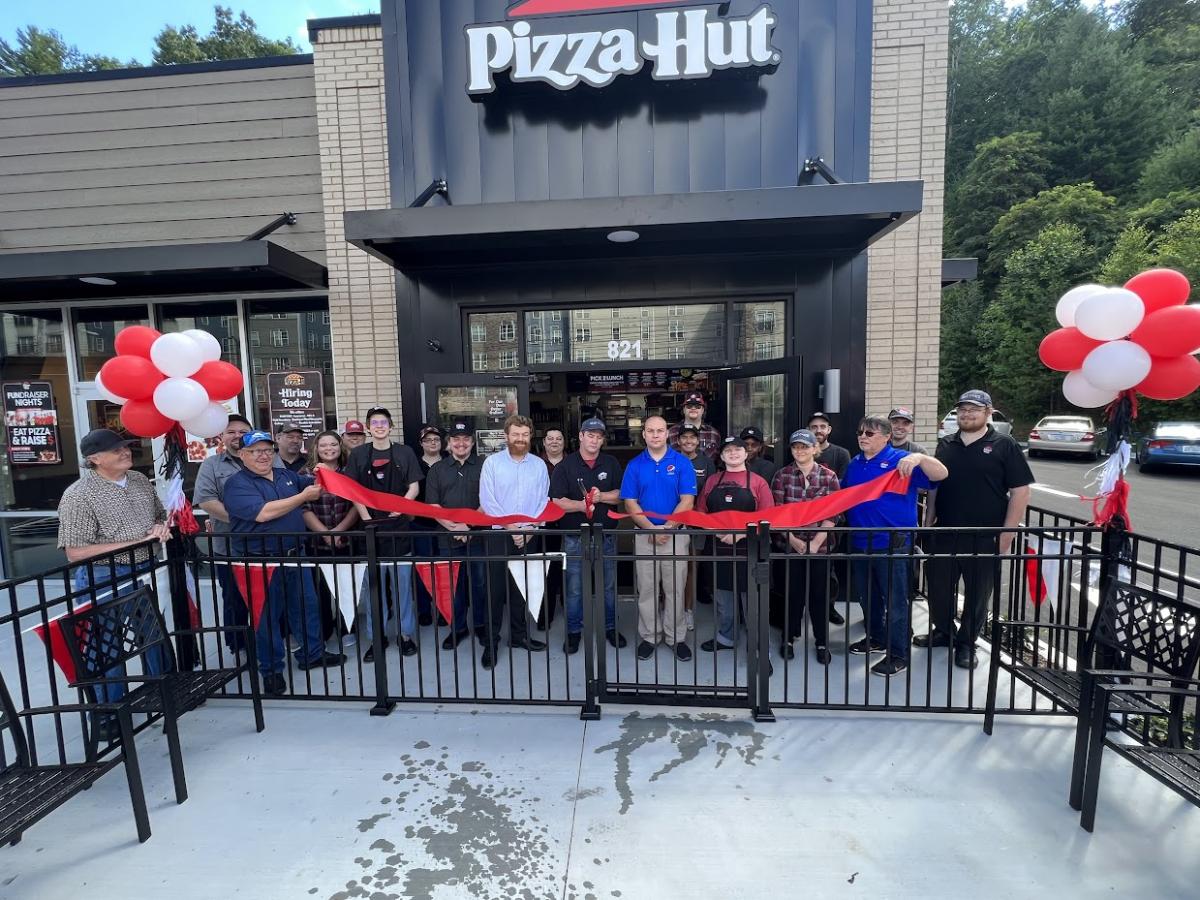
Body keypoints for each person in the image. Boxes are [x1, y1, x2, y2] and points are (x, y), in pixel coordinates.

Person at [57, 428, 172, 725]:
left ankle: (162, 694)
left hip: (145, 569)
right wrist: (135, 543)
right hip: (104, 575)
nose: (125, 452)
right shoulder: (78, 495)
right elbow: (76, 552)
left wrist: (159, 527)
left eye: (126, 447)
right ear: (94, 459)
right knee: (106, 646)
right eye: (115, 450)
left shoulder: (139, 480)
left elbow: (160, 515)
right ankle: (111, 715)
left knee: (151, 634)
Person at [224, 430, 345, 696]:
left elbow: (313, 483)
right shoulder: (237, 484)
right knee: (266, 617)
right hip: (259, 562)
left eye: (268, 449)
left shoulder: (285, 476)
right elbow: (263, 514)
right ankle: (271, 670)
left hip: (294, 555)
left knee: (306, 607)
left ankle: (312, 654)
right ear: (243, 455)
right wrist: (303, 498)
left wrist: (322, 471)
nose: (264, 455)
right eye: (256, 451)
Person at [922, 390, 1033, 669]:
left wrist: (1007, 534)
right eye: (962, 409)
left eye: (974, 409)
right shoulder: (945, 444)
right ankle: (943, 631)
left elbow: (1020, 492)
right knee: (938, 588)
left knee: (978, 593)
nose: (967, 414)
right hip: (945, 532)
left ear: (988, 412)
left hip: (985, 535)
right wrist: (929, 520)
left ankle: (967, 642)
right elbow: (935, 487)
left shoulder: (1004, 444)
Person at [842, 415, 948, 678]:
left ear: (886, 436)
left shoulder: (902, 461)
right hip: (860, 541)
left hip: (893, 543)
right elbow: (843, 497)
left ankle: (898, 654)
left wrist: (921, 458)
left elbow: (941, 474)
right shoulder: (855, 463)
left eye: (870, 433)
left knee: (896, 601)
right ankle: (876, 638)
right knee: (868, 596)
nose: (862, 437)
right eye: (860, 432)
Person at [343, 406, 424, 661]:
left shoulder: (405, 452)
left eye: (383, 422)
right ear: (368, 427)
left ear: (391, 426)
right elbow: (351, 489)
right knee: (373, 589)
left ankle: (405, 635)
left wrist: (400, 508)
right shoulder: (357, 454)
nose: (379, 426)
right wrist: (366, 517)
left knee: (402, 588)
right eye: (374, 422)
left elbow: (414, 486)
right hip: (369, 529)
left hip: (398, 529)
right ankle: (376, 638)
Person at [621, 415, 697, 661]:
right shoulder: (634, 465)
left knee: (675, 588)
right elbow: (630, 502)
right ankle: (650, 636)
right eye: (650, 430)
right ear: (643, 434)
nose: (655, 435)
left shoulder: (682, 463)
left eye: (660, 430)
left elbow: (688, 500)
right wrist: (651, 529)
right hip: (645, 536)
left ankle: (676, 637)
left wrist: (668, 527)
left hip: (675, 536)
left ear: (667, 434)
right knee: (647, 588)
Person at [478, 415, 550, 668]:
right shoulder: (492, 463)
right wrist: (511, 528)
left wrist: (530, 529)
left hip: (529, 536)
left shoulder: (539, 465)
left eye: (525, 434)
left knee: (521, 589)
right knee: (494, 592)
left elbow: (544, 501)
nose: (520, 439)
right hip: (499, 535)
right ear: (506, 436)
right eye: (515, 434)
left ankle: (519, 636)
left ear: (531, 436)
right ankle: (490, 642)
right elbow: (488, 501)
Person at [550, 418, 625, 654]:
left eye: (599, 436)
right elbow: (557, 502)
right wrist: (583, 505)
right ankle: (573, 632)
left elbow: (623, 494)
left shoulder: (611, 462)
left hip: (606, 535)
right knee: (574, 588)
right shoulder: (566, 465)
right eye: (590, 435)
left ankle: (610, 628)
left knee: (609, 586)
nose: (594, 440)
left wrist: (601, 497)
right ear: (581, 436)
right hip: (575, 537)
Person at [697, 437, 774, 652]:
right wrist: (716, 531)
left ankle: (759, 644)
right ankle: (726, 637)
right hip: (718, 547)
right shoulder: (712, 481)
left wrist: (739, 534)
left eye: (737, 449)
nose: (733, 453)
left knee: (753, 601)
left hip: (749, 548)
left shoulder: (758, 482)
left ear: (746, 453)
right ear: (721, 456)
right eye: (727, 450)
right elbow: (701, 513)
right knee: (723, 598)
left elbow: (767, 518)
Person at [193, 413, 262, 653]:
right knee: (234, 599)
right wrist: (246, 521)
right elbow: (206, 501)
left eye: (243, 431)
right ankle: (239, 645)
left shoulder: (269, 460)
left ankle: (270, 640)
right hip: (230, 547)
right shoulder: (211, 465)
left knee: (268, 598)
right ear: (221, 436)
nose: (237, 436)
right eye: (231, 431)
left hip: (265, 545)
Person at [770, 429, 839, 665]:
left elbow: (833, 513)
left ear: (814, 448)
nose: (799, 451)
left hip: (820, 547)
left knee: (820, 596)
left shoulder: (829, 477)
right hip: (790, 546)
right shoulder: (782, 476)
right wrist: (795, 541)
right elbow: (777, 513)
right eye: (795, 447)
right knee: (792, 594)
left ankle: (821, 641)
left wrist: (816, 542)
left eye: (804, 446)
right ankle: (788, 638)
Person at [425, 420, 488, 650]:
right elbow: (433, 506)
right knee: (453, 586)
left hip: (479, 536)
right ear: (448, 443)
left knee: (480, 584)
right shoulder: (437, 470)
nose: (461, 443)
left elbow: (490, 501)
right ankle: (458, 628)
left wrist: (468, 526)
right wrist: (454, 527)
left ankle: (481, 625)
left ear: (472, 442)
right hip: (447, 538)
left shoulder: (485, 465)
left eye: (465, 439)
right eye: (456, 439)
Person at [301, 430, 360, 640]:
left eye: (333, 444)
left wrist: (339, 530)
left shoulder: (350, 472)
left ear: (340, 446)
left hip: (346, 539)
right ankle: (324, 630)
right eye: (323, 445)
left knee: (346, 587)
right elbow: (304, 508)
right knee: (320, 591)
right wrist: (326, 533)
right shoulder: (306, 474)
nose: (329, 449)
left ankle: (347, 629)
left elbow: (357, 504)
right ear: (316, 448)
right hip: (317, 541)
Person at [677, 422, 716, 628]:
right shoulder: (671, 459)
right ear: (679, 440)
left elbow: (710, 492)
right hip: (675, 522)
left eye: (692, 437)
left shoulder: (706, 462)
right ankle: (669, 608)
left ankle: (688, 610)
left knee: (692, 567)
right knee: (672, 567)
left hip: (697, 524)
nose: (688, 441)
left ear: (698, 440)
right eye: (684, 437)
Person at [412, 424, 447, 626]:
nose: (432, 443)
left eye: (436, 439)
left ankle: (444, 609)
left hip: (444, 526)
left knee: (444, 570)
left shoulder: (449, 463)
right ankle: (424, 609)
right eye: (428, 440)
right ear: (421, 443)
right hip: (420, 525)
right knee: (423, 569)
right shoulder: (415, 464)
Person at [538, 426, 567, 628]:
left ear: (564, 443)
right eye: (550, 438)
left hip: (568, 523)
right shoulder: (535, 463)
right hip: (543, 524)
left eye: (558, 438)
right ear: (544, 442)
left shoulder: (573, 462)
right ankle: (545, 613)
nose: (554, 442)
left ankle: (570, 609)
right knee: (545, 570)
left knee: (569, 569)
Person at [667, 392, 720, 459]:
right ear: (683, 409)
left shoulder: (714, 433)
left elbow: (718, 461)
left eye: (698, 406)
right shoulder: (671, 432)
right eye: (689, 406)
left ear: (703, 410)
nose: (693, 408)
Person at [808, 412, 851, 480]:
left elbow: (843, 484)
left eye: (823, 427)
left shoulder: (842, 454)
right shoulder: (801, 453)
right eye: (814, 427)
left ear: (829, 429)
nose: (818, 430)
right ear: (808, 430)